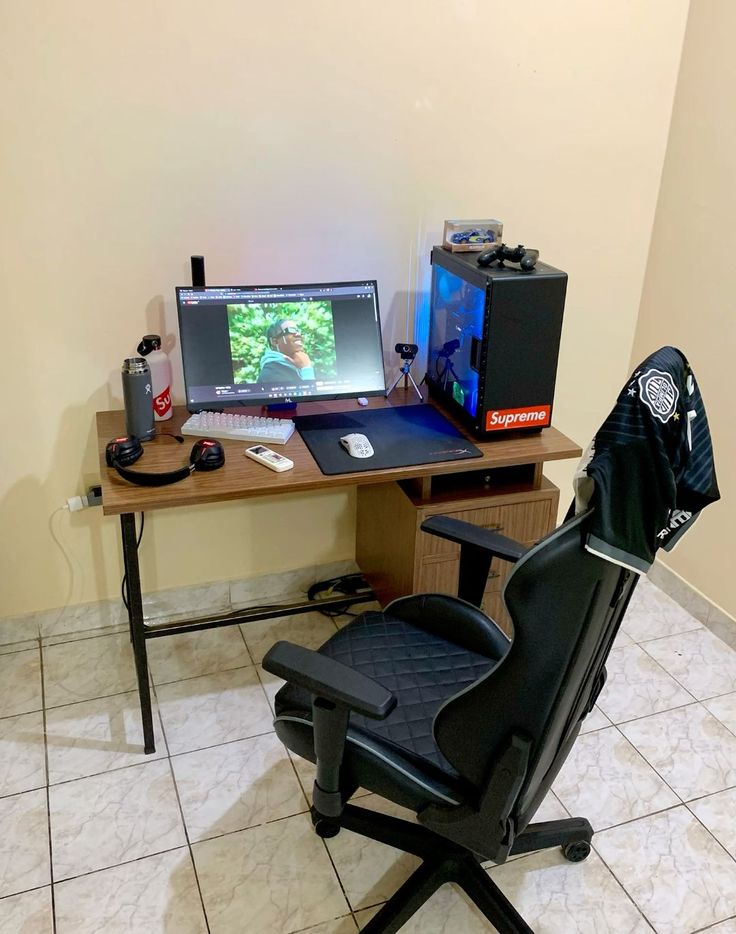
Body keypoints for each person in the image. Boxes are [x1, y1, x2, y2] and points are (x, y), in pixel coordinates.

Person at [258, 319, 315, 383]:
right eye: (291, 330)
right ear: (275, 342)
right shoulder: (270, 374)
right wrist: (307, 370)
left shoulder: (300, 367)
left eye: (298, 331)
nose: (298, 334)